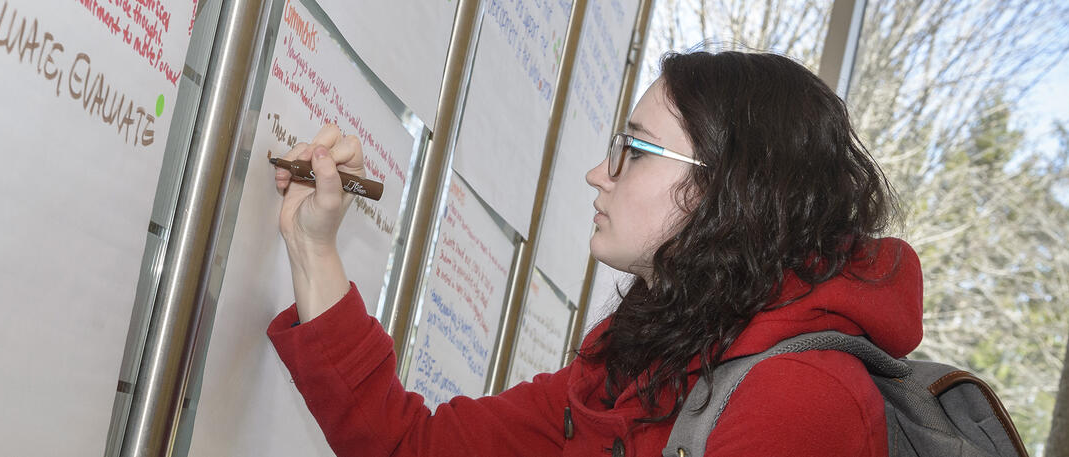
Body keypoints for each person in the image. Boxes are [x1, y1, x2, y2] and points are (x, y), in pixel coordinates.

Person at [266, 50, 920, 456]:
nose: (598, 173)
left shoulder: (802, 400)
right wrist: (312, 245)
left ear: (727, 186)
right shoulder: (641, 359)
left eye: (633, 150)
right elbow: (416, 447)